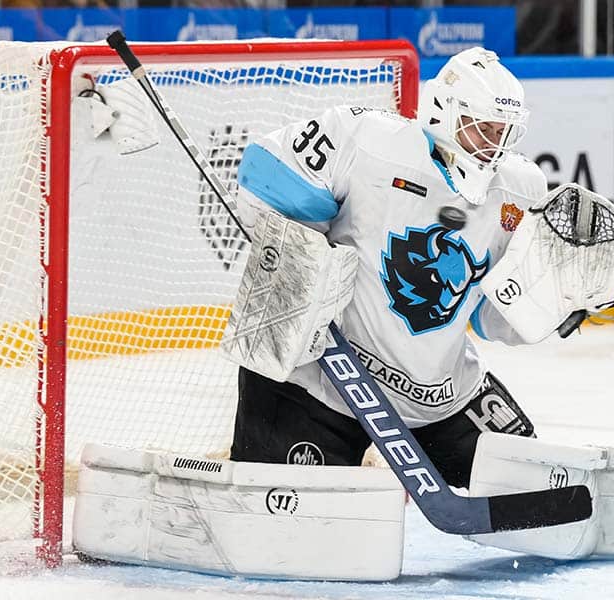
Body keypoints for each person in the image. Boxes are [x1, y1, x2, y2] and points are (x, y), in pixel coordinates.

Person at [228, 48, 547, 489]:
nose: (494, 145)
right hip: (323, 384)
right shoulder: (364, 140)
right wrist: (307, 266)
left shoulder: (520, 187)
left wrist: (553, 301)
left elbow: (494, 318)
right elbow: (266, 175)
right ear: (444, 113)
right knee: (284, 510)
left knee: (530, 483)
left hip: (440, 395)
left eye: (504, 132)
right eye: (482, 129)